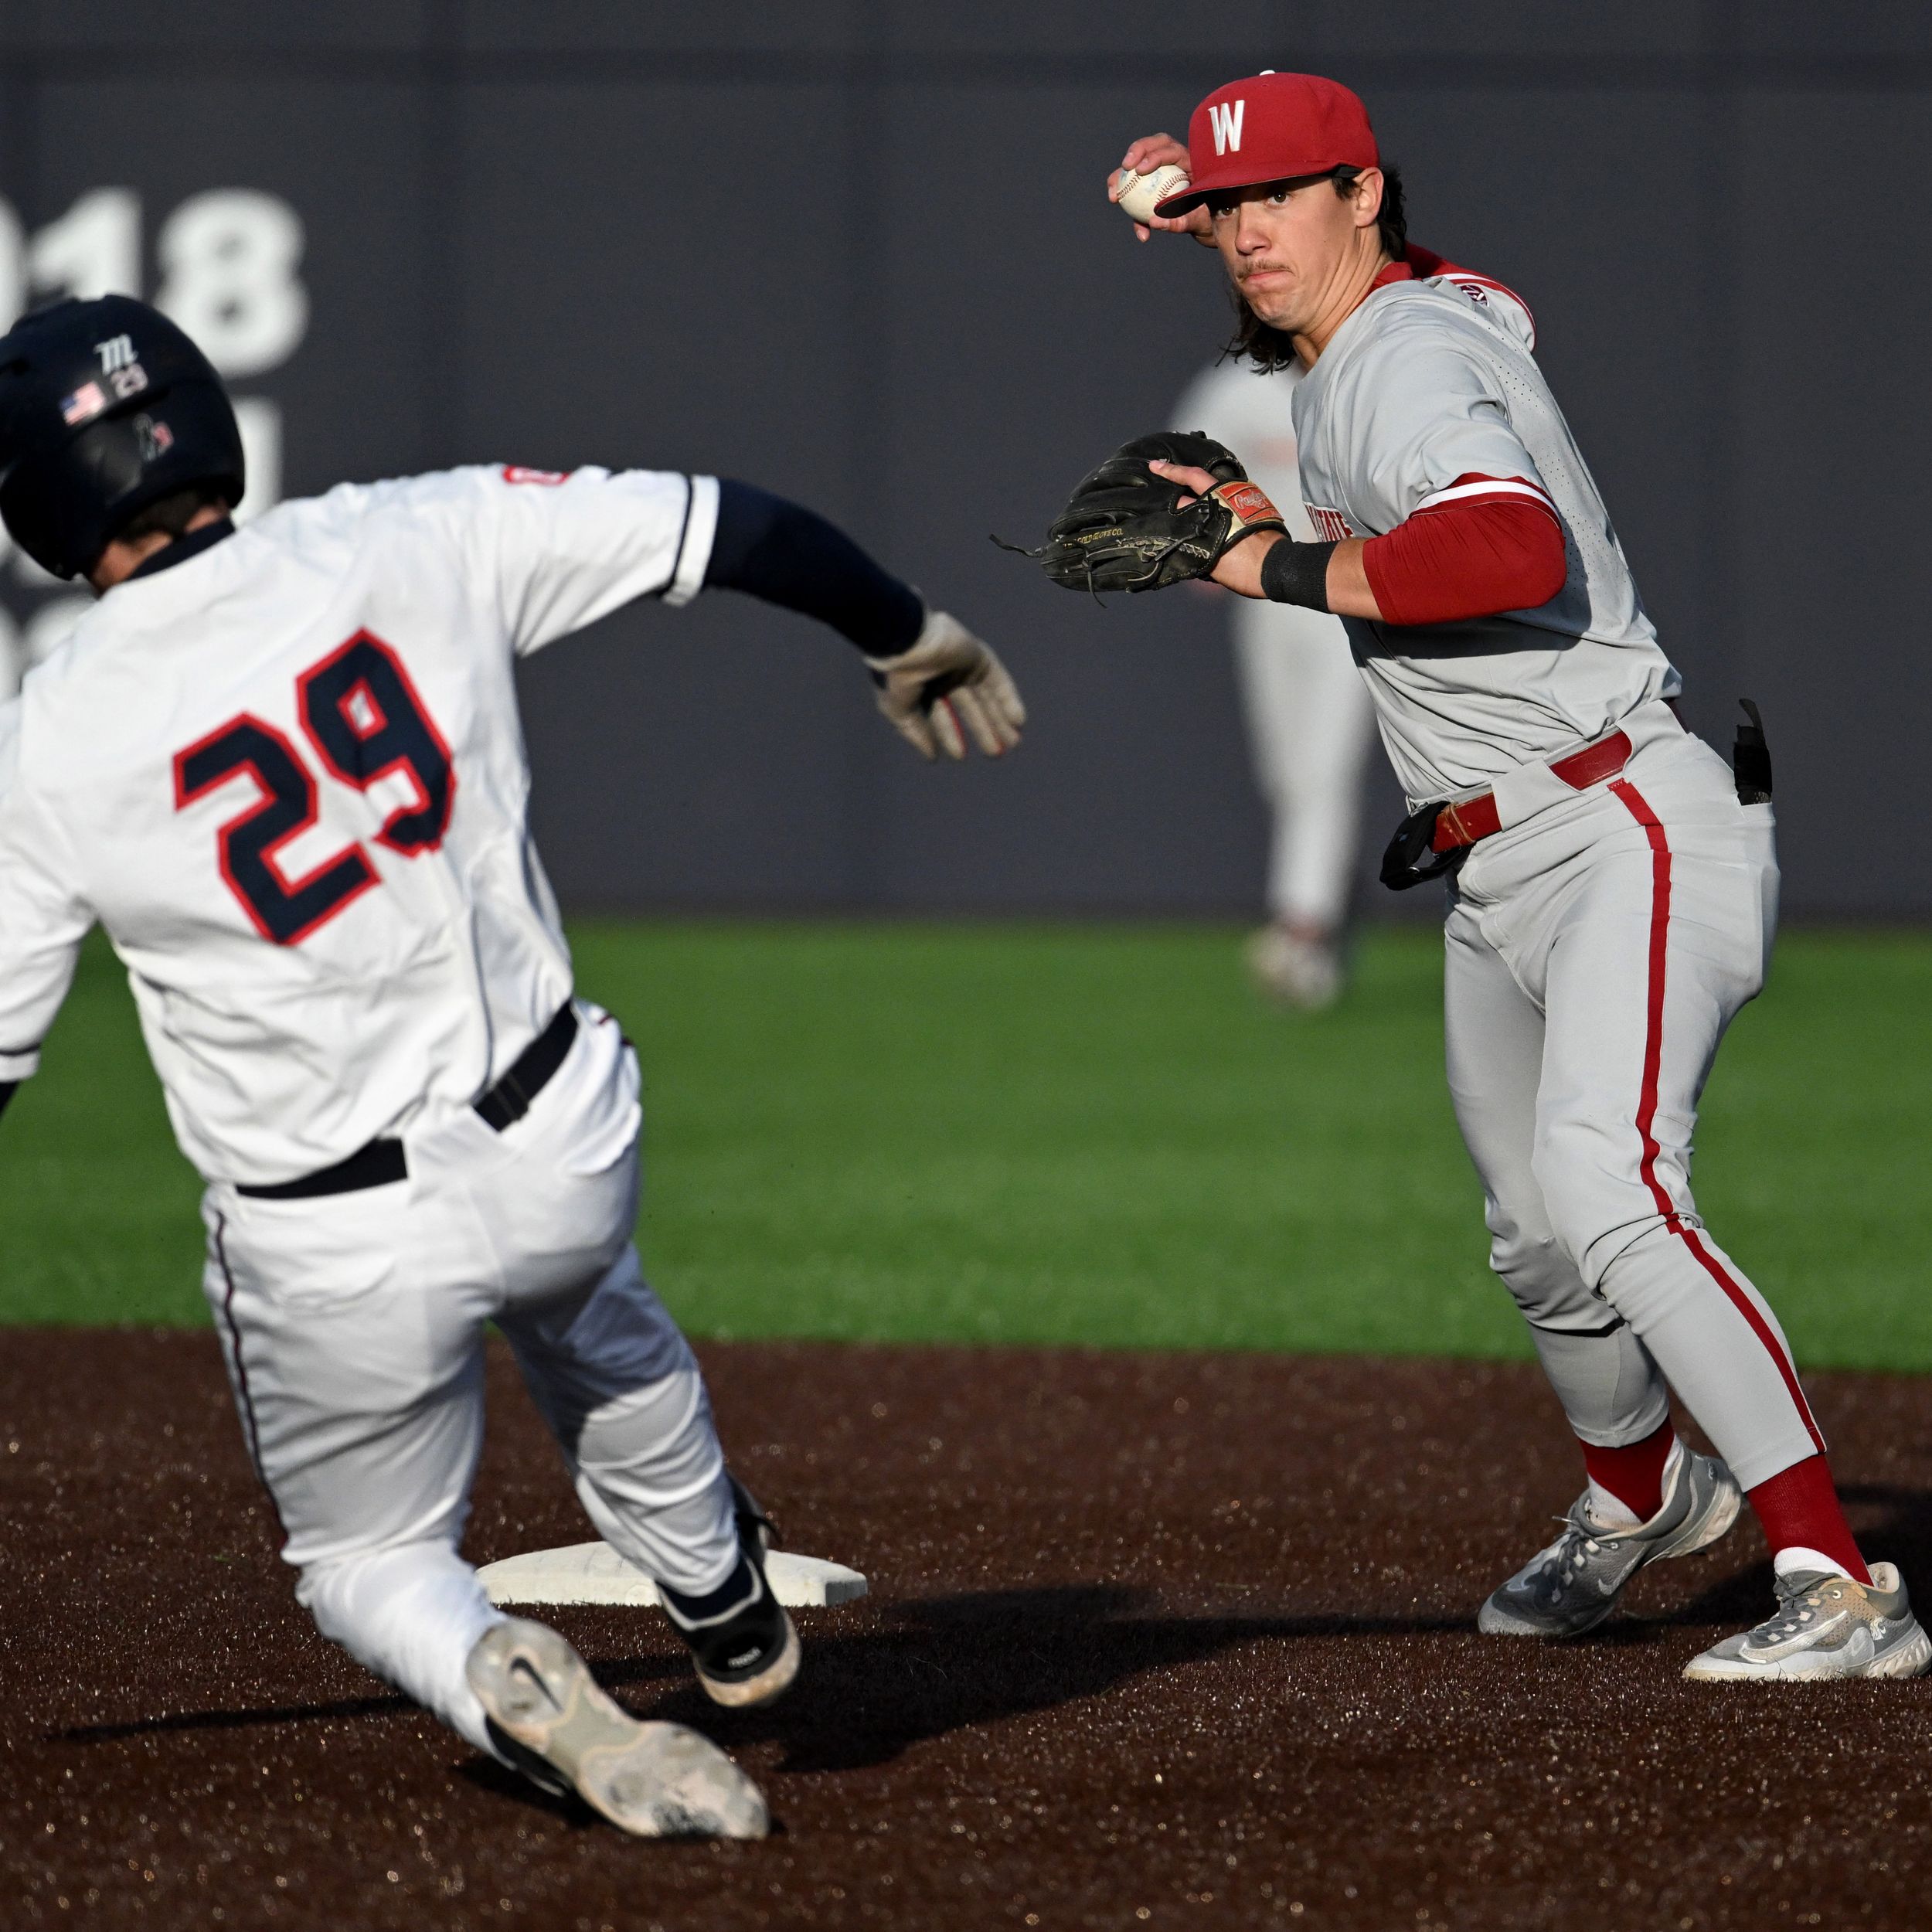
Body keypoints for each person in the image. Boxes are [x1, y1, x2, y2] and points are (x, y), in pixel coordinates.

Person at [0, 294, 1025, 1834]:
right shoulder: (421, 531)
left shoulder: (49, 733)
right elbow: (732, 528)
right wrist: (902, 628)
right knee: (589, 1304)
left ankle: (500, 1668)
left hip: (327, 1232)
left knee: (365, 1560)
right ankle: (723, 1601)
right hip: (553, 1134)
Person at [1106, 73, 1926, 1680]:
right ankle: (1641, 1491)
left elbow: (1506, 552)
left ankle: (1835, 1581)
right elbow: (1478, 297)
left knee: (1612, 1189)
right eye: (1225, 212)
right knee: (1532, 1238)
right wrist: (1184, 189)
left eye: (1281, 197)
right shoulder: (1416, 308)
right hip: (1497, 858)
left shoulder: (1402, 359)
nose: (1245, 234)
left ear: (1365, 190)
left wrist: (1259, 557)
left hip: (1621, 819)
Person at [1172, 354, 1373, 1006]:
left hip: (1351, 601)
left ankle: (1302, 930)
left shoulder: (1368, 382)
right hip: (1267, 602)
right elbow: (1178, 477)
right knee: (1285, 773)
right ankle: (1331, 904)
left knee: (1323, 771)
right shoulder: (1236, 390)